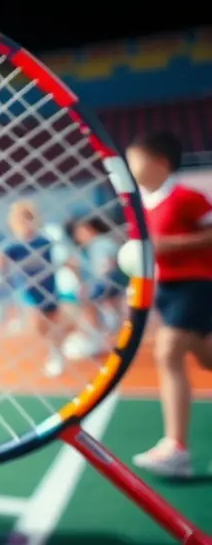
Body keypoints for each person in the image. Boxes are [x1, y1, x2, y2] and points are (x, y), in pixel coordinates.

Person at [125, 131, 212, 477]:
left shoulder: (187, 197)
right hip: (168, 290)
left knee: (168, 351)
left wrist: (169, 246)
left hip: (196, 285)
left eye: (135, 160)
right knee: (206, 359)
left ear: (159, 162)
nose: (130, 168)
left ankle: (177, 449)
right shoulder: (142, 206)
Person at [0, 200, 71, 377]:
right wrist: (1, 277)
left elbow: (59, 259)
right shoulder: (13, 245)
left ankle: (57, 354)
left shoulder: (43, 241)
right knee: (39, 325)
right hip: (28, 292)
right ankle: (57, 345)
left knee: (53, 321)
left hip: (49, 288)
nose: (25, 224)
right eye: (20, 220)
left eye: (28, 219)